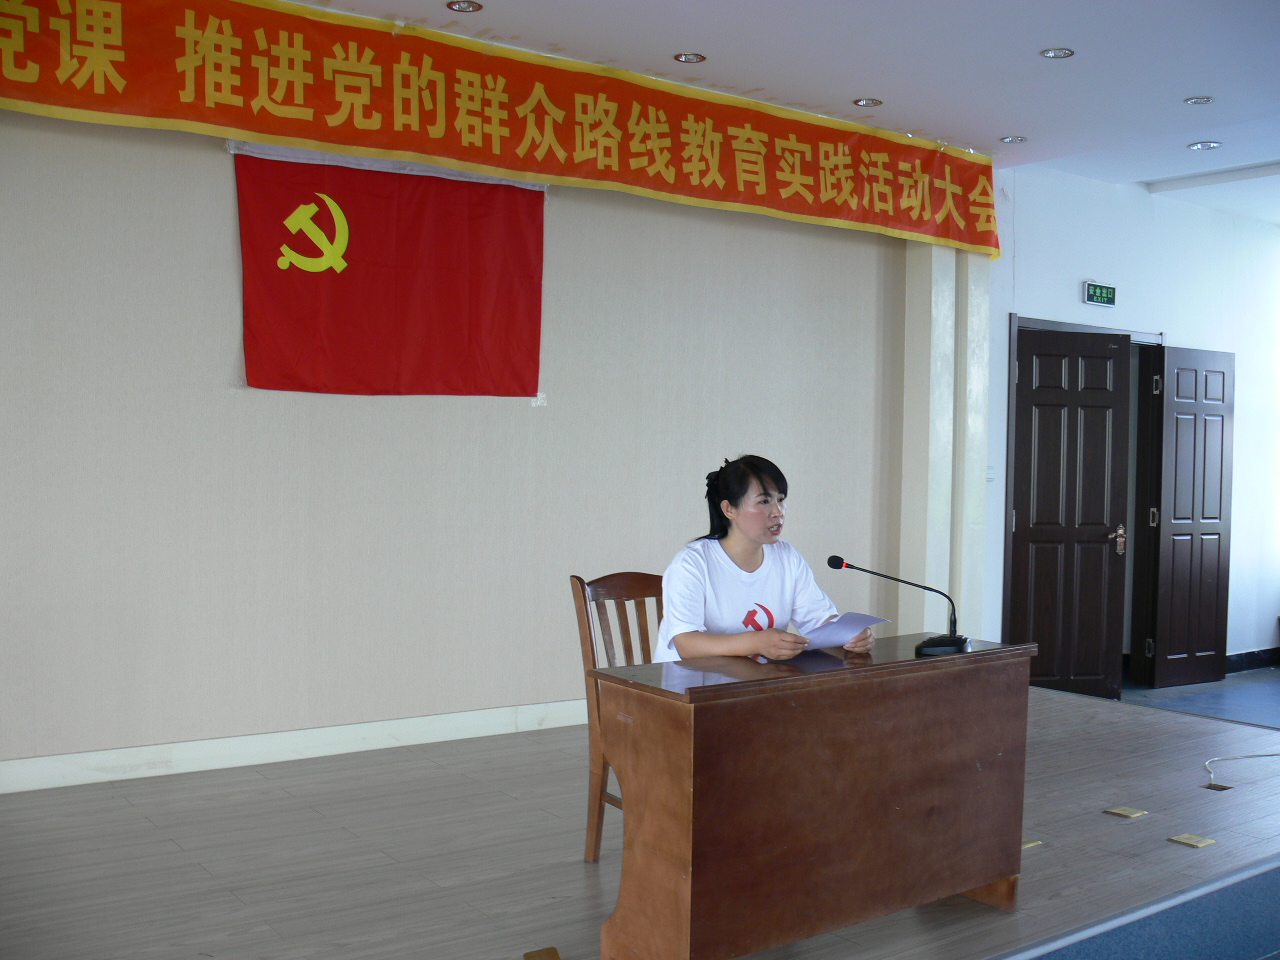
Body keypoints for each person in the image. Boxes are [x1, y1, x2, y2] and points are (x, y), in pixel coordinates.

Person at [653, 455, 875, 662]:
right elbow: (686, 643)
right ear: (729, 509)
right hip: (688, 684)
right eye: (764, 501)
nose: (778, 511)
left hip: (755, 679)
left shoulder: (787, 557)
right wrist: (756, 642)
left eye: (781, 500)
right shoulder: (692, 563)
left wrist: (849, 635)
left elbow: (818, 621)